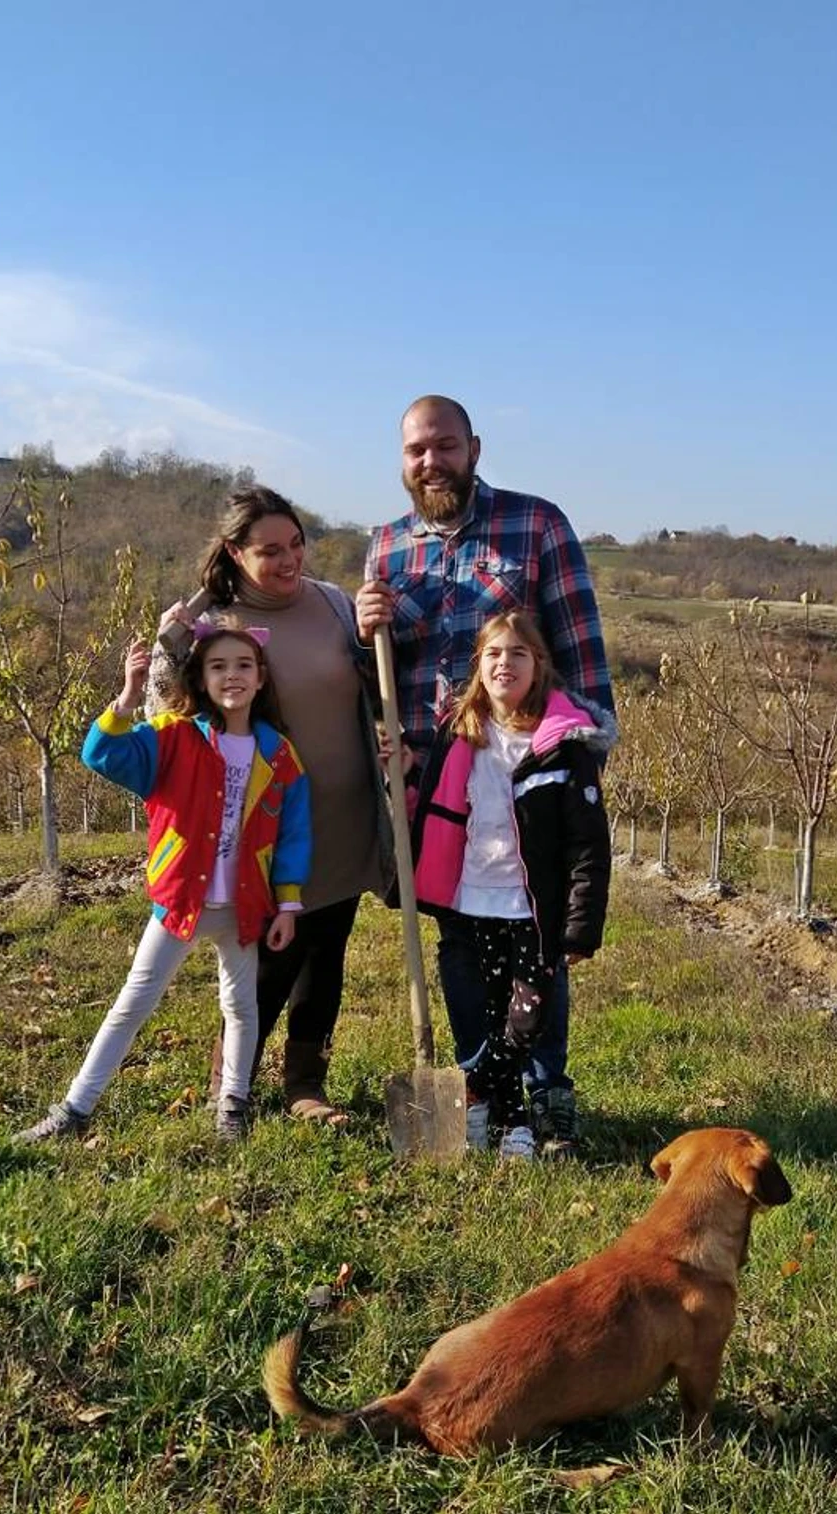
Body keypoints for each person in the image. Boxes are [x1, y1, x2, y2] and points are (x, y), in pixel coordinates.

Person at [356, 394, 615, 1156]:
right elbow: (375, 677)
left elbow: (580, 648)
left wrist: (577, 764)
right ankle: (480, 1092)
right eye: (416, 450)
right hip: (438, 792)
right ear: (402, 460)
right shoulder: (385, 549)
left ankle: (546, 1094)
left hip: (524, 779)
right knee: (462, 943)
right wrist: (364, 633)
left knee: (536, 941)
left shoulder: (537, 526)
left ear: (474, 448)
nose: (430, 462)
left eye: (445, 446)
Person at [15, 617, 311, 1144]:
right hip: (180, 902)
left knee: (241, 1008)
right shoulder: (173, 737)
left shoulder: (280, 756)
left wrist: (287, 905)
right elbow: (101, 754)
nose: (232, 676)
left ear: (261, 677)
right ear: (200, 678)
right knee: (133, 1003)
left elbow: (293, 834)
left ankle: (232, 1105)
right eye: (218, 666)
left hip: (243, 907)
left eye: (244, 665)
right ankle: (76, 1109)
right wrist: (127, 699)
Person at [150, 485, 392, 1125]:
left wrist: (383, 702)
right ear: (235, 552)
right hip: (263, 824)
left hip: (344, 817)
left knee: (326, 952)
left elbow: (371, 691)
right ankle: (231, 1082)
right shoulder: (214, 624)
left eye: (296, 545)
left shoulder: (334, 603)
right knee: (267, 957)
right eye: (270, 551)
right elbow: (167, 719)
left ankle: (306, 1084)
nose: (289, 561)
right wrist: (169, 648)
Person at [409, 611, 612, 1159]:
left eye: (519, 653)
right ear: (479, 664)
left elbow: (588, 844)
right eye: (494, 653)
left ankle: (485, 1093)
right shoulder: (460, 733)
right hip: (471, 900)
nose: (506, 663)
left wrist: (581, 926)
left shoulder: (562, 743)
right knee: (484, 1009)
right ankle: (508, 1117)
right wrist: (398, 770)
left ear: (538, 665)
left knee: (527, 1014)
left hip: (532, 908)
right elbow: (431, 808)